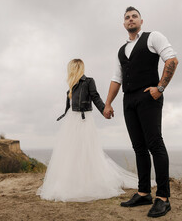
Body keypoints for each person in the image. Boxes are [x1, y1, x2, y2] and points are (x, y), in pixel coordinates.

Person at [103, 7, 178, 217]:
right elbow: (116, 78)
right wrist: (107, 104)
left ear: (141, 20)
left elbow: (171, 60)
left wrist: (160, 88)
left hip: (149, 96)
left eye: (134, 16)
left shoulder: (153, 37)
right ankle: (144, 192)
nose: (130, 19)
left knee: (155, 143)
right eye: (126, 17)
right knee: (138, 147)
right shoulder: (121, 50)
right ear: (123, 23)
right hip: (129, 100)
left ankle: (163, 198)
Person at [37, 59, 138, 202]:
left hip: (84, 120)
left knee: (85, 151)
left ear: (73, 68)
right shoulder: (71, 85)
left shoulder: (89, 81)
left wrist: (104, 109)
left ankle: (87, 181)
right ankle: (73, 181)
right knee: (71, 152)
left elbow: (95, 97)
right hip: (72, 120)